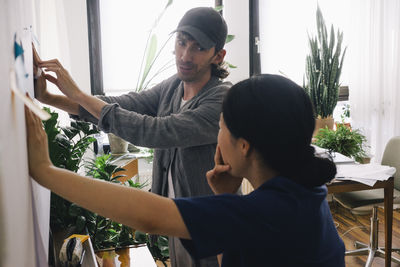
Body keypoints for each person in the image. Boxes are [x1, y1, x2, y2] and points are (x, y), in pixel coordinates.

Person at [26, 74, 345, 267]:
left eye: (222, 126)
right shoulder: (306, 192)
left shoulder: (268, 210)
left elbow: (151, 216)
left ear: (244, 145)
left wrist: (45, 171)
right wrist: (225, 195)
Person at [34, 7, 231, 267]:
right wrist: (49, 98)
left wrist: (79, 94)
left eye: (198, 48)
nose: (185, 55)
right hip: (178, 222)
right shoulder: (173, 86)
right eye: (182, 42)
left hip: (209, 226)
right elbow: (126, 104)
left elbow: (157, 131)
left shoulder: (220, 99)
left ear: (218, 56)